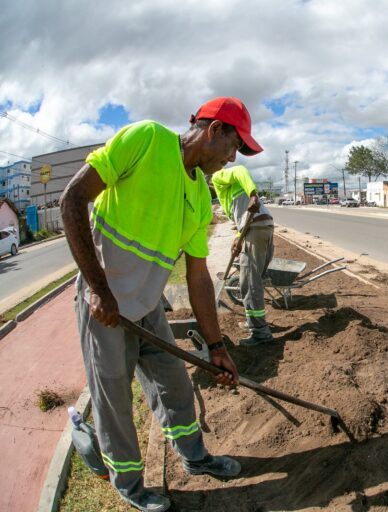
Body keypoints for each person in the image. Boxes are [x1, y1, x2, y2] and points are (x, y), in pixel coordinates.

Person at [60, 97, 263, 512]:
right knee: (114, 397)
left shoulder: (200, 199)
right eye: (234, 146)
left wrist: (217, 346)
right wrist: (100, 289)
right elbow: (71, 199)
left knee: (174, 381)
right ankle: (129, 483)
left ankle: (195, 457)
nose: (232, 158)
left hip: (148, 307)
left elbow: (198, 278)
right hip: (105, 305)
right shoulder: (147, 139)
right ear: (215, 130)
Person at [211, 165, 274, 345]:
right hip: (263, 226)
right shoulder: (228, 192)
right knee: (254, 281)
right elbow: (242, 219)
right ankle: (253, 322)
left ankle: (260, 333)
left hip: (255, 229)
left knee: (249, 284)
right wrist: (238, 238)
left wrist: (253, 194)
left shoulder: (217, 178)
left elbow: (240, 170)